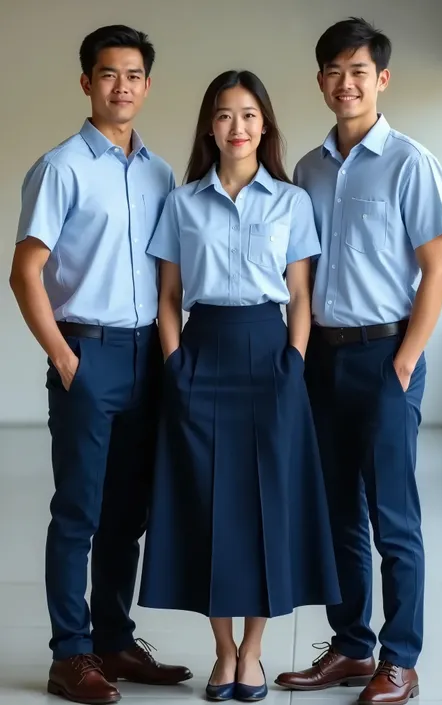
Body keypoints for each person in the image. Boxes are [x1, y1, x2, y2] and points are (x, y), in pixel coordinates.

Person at [138, 69, 341, 702]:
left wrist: (292, 363)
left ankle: (252, 652)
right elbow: (168, 296)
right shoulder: (181, 202)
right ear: (209, 125)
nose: (237, 128)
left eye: (249, 115)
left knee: (265, 507)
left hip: (268, 356)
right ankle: (220, 651)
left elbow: (301, 294)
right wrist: (175, 366)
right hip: (201, 354)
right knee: (204, 506)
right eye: (225, 115)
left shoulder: (291, 201)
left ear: (265, 125)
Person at [10, 24, 192, 705]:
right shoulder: (60, 167)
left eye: (135, 74)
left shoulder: (159, 172)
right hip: (87, 352)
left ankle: (115, 637)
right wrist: (63, 355)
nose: (123, 86)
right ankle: (71, 654)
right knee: (79, 511)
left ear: (147, 84)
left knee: (128, 512)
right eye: (109, 74)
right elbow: (25, 272)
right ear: (87, 82)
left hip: (148, 353)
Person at [275, 17, 442, 705]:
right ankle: (351, 645)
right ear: (320, 80)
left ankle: (399, 659)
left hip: (386, 355)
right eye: (333, 71)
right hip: (324, 358)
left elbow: (435, 272)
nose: (345, 83)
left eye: (358, 71)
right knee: (337, 512)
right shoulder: (309, 170)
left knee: (393, 517)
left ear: (381, 78)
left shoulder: (410, 162)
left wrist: (405, 362)